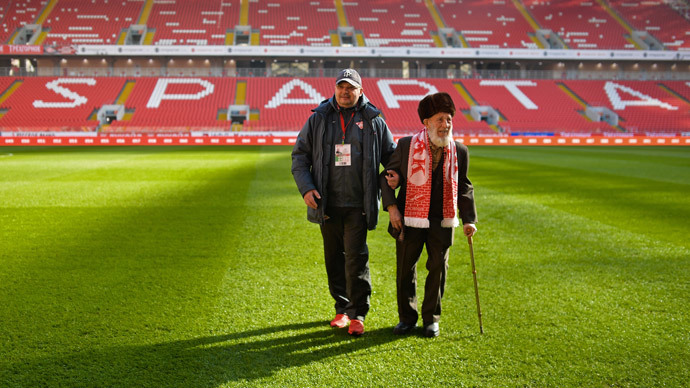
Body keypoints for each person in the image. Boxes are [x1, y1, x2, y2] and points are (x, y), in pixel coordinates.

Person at [291, 69, 396, 336]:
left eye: (350, 88)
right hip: (327, 204)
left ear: (360, 91)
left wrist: (395, 176)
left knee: (356, 258)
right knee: (333, 258)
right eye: (341, 87)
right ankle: (341, 308)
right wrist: (306, 189)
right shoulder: (319, 119)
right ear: (335, 89)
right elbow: (300, 157)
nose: (345, 92)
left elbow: (391, 157)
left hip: (359, 205)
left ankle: (358, 313)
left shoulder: (374, 121)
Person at [380, 92, 477, 338]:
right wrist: (392, 208)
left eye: (449, 120)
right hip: (408, 219)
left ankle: (431, 319)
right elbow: (386, 177)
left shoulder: (460, 151)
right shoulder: (406, 145)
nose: (445, 125)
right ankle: (407, 318)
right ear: (426, 122)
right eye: (440, 120)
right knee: (405, 269)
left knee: (438, 268)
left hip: (442, 220)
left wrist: (469, 220)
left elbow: (464, 185)